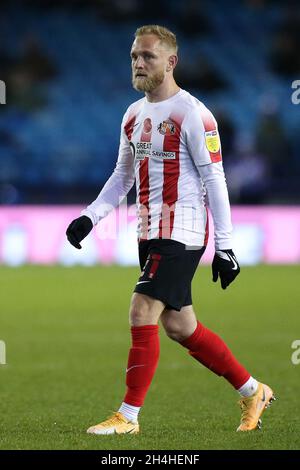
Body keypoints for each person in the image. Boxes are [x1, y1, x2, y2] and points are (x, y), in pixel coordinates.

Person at [66, 25, 275, 435]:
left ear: (171, 62)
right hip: (148, 231)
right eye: (134, 57)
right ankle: (253, 390)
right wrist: (91, 216)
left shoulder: (194, 115)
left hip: (184, 230)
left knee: (141, 308)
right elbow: (122, 176)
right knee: (181, 327)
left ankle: (128, 417)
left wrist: (226, 247)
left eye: (148, 56)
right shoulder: (132, 115)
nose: (139, 64)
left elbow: (216, 180)